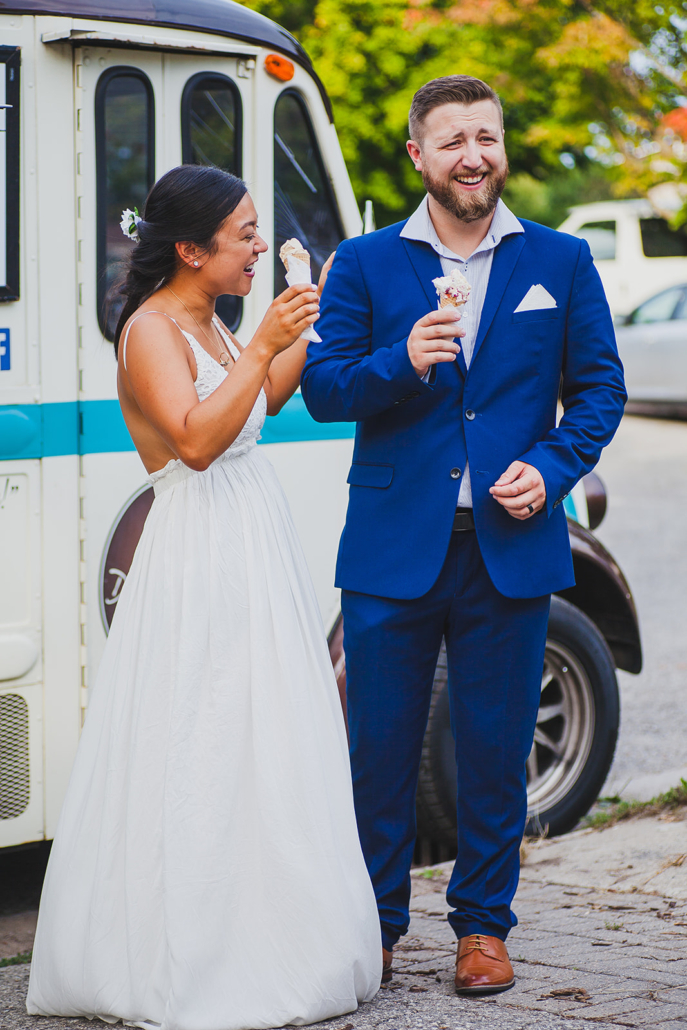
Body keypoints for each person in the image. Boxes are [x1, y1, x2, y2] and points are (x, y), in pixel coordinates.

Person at [26, 164, 381, 1030]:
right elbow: (191, 442)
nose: (259, 245)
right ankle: (191, 955)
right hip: (195, 550)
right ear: (190, 249)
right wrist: (261, 340)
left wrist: (306, 312)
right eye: (245, 235)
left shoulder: (215, 322)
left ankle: (277, 934)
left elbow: (261, 399)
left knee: (269, 733)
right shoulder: (150, 329)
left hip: (251, 538)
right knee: (205, 732)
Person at [301, 75, 626, 995]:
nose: (473, 155)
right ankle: (375, 928)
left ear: (500, 146)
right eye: (452, 141)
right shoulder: (363, 262)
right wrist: (399, 362)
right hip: (390, 550)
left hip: (510, 546)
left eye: (486, 136)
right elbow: (326, 390)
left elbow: (599, 389)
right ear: (418, 156)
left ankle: (482, 930)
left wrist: (554, 466)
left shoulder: (559, 261)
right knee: (378, 750)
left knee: (492, 751)